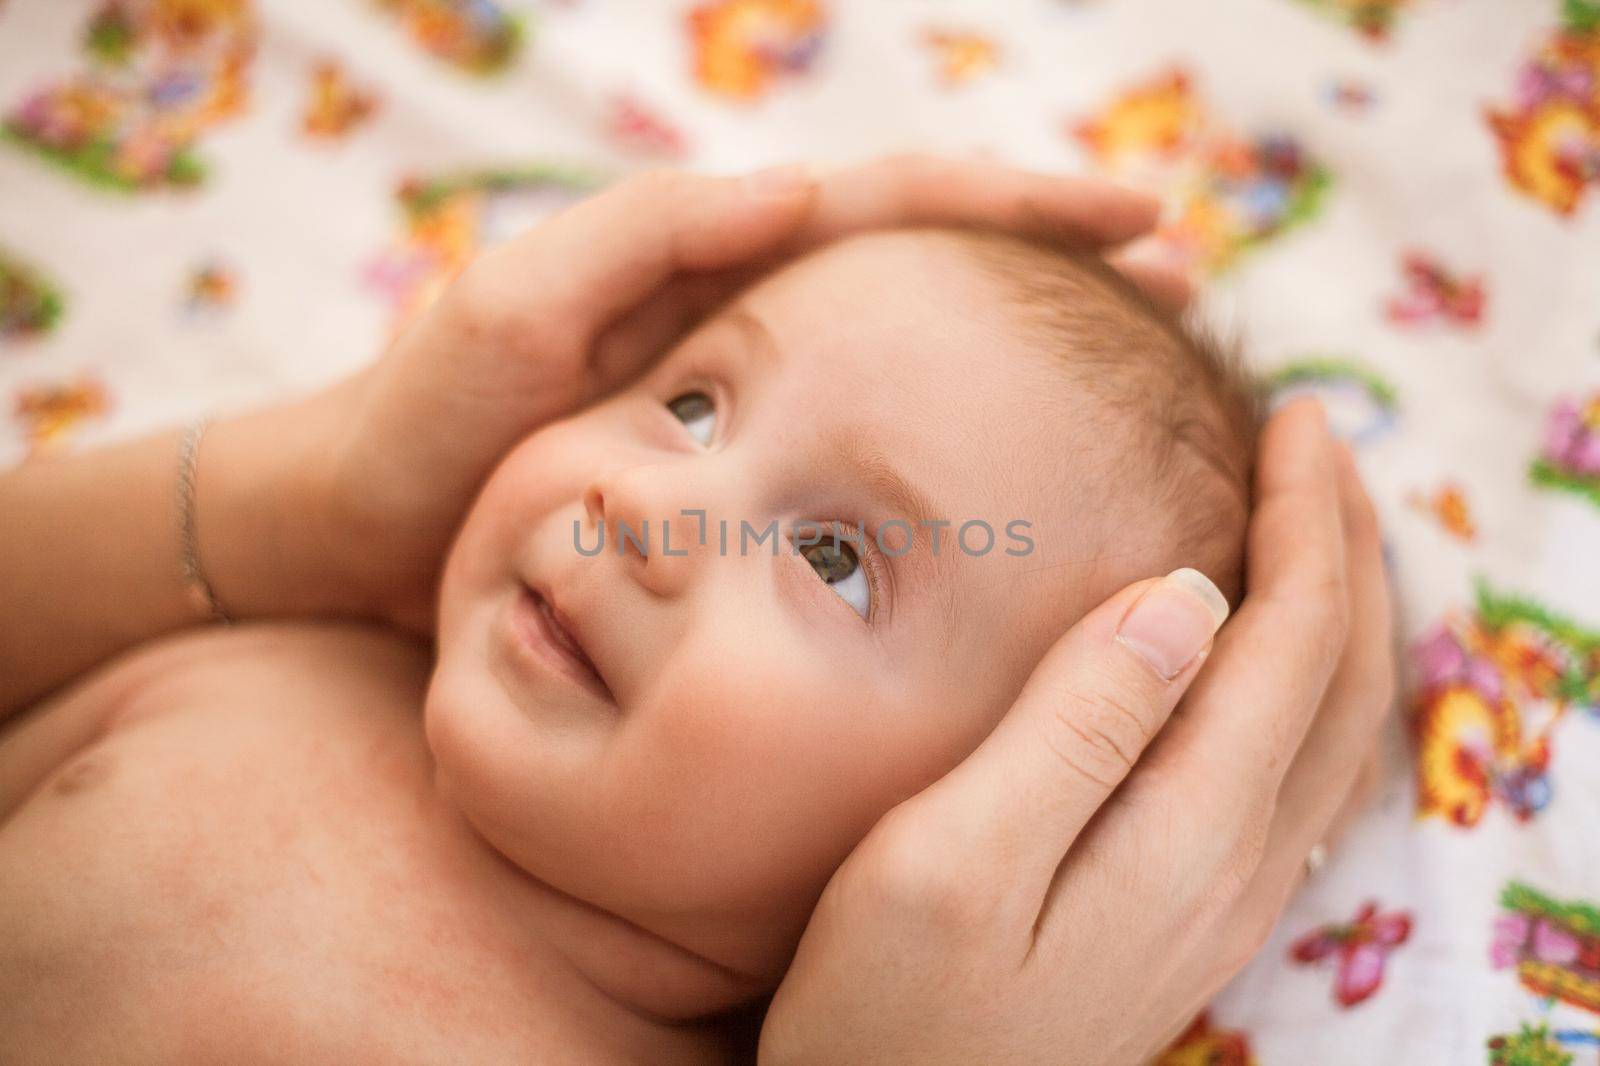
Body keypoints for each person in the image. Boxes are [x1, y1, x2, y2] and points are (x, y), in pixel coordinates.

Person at [0, 157, 1392, 1064]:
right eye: (692, 403)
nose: (653, 507)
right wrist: (287, 503)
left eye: (837, 558)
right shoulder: (286, 652)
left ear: (1006, 817)